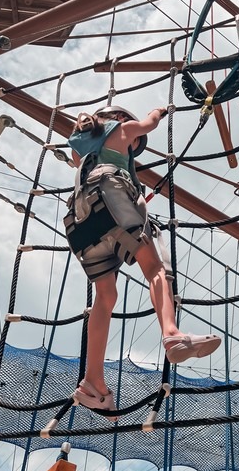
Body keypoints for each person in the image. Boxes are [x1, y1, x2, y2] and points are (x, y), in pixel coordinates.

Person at [64, 105, 221, 415]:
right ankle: (172, 334)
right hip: (110, 196)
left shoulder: (82, 151)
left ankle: (93, 382)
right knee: (155, 268)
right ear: (121, 120)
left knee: (105, 296)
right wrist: (158, 112)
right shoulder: (123, 129)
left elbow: (80, 162)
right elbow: (148, 124)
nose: (133, 148)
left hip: (80, 221)